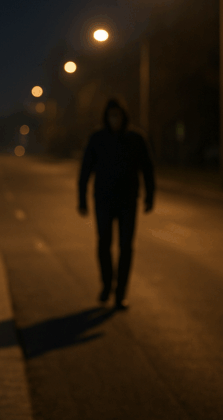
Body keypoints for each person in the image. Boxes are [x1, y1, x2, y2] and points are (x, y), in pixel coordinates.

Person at [77, 98, 154, 310]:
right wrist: (82, 198)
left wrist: (150, 196)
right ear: (106, 117)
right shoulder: (97, 139)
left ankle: (121, 293)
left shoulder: (136, 139)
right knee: (104, 244)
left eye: (117, 115)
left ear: (123, 116)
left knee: (126, 247)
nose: (115, 119)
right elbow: (85, 169)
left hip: (128, 200)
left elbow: (147, 168)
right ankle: (106, 284)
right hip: (103, 199)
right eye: (111, 115)